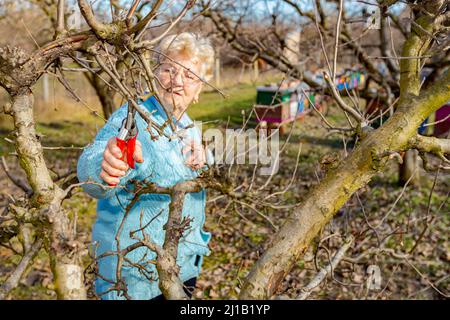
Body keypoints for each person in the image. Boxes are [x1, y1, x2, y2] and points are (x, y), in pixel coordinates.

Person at [77, 32, 215, 300]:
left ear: (198, 90)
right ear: (154, 75)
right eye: (169, 70)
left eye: (189, 76)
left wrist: (205, 160)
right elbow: (95, 162)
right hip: (136, 275)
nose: (177, 81)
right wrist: (104, 167)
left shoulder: (188, 125)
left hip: (181, 266)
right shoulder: (134, 117)